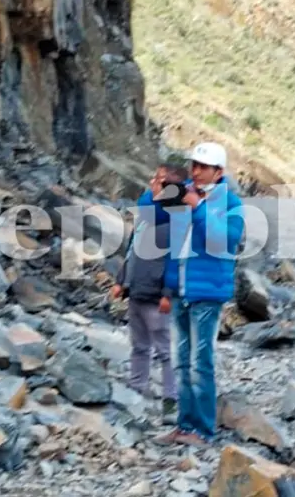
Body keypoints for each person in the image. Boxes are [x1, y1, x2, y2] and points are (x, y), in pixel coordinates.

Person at [143, 142, 245, 447]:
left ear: (219, 172)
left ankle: (202, 430)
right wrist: (153, 194)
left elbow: (223, 240)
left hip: (208, 291)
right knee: (181, 362)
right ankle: (184, 425)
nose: (196, 172)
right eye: (194, 166)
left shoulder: (231, 203)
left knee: (201, 361)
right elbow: (151, 221)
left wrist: (198, 208)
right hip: (181, 289)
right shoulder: (181, 191)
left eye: (203, 167)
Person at [111, 164, 189, 424]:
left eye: (158, 179)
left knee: (164, 351)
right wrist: (121, 281)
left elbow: (175, 262)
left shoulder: (174, 222)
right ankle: (136, 389)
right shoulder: (146, 217)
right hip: (136, 290)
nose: (151, 181)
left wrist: (168, 293)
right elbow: (132, 251)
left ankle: (170, 400)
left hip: (157, 296)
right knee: (139, 345)